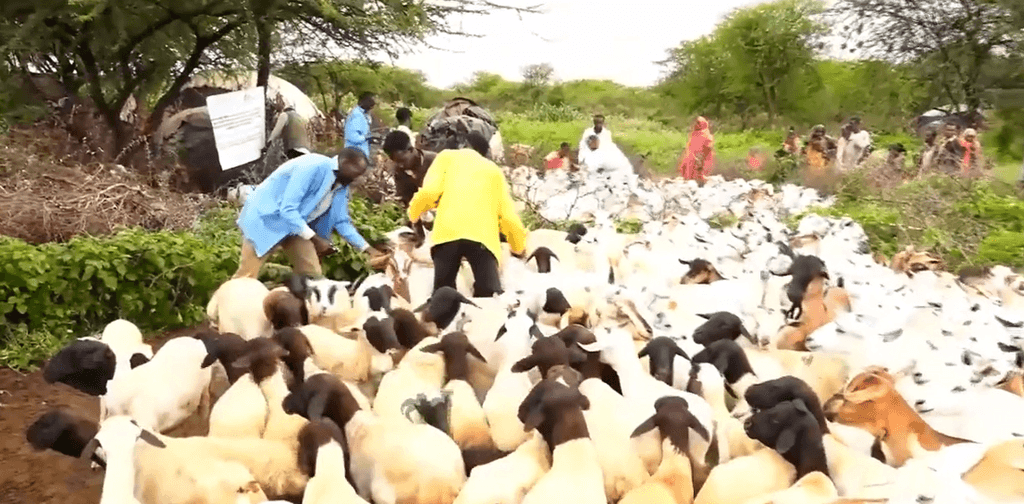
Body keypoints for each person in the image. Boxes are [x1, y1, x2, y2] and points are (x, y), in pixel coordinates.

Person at [233, 148, 386, 279]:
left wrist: (368, 249)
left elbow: (341, 222)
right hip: (266, 219)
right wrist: (316, 239)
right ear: (344, 163)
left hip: (296, 228)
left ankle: (308, 310)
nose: (360, 178)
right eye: (358, 173)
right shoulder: (313, 166)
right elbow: (288, 209)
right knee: (247, 276)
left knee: (313, 276)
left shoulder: (342, 185)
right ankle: (220, 310)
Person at [407, 131, 528, 298]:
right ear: (485, 154)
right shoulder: (494, 171)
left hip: (448, 234)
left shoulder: (446, 158)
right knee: (490, 297)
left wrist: (414, 214)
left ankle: (441, 317)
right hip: (482, 238)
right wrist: (518, 247)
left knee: (443, 294)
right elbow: (507, 216)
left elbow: (429, 193)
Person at [382, 130, 436, 208]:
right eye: (395, 162)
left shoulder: (435, 161)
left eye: (402, 160)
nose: (400, 165)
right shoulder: (399, 170)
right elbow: (405, 198)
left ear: (410, 149)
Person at [678, 116, 715, 183]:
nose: (696, 125)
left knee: (698, 167)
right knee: (687, 168)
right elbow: (690, 145)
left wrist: (701, 155)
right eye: (696, 123)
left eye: (699, 123)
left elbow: (708, 145)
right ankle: (690, 178)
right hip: (692, 155)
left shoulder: (705, 133)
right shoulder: (694, 133)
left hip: (701, 155)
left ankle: (699, 177)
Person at [345, 92, 376, 158]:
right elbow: (352, 136)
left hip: (360, 154)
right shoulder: (356, 115)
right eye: (371, 101)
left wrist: (370, 139)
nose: (373, 104)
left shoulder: (363, 114)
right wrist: (366, 138)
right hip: (355, 155)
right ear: (363, 101)